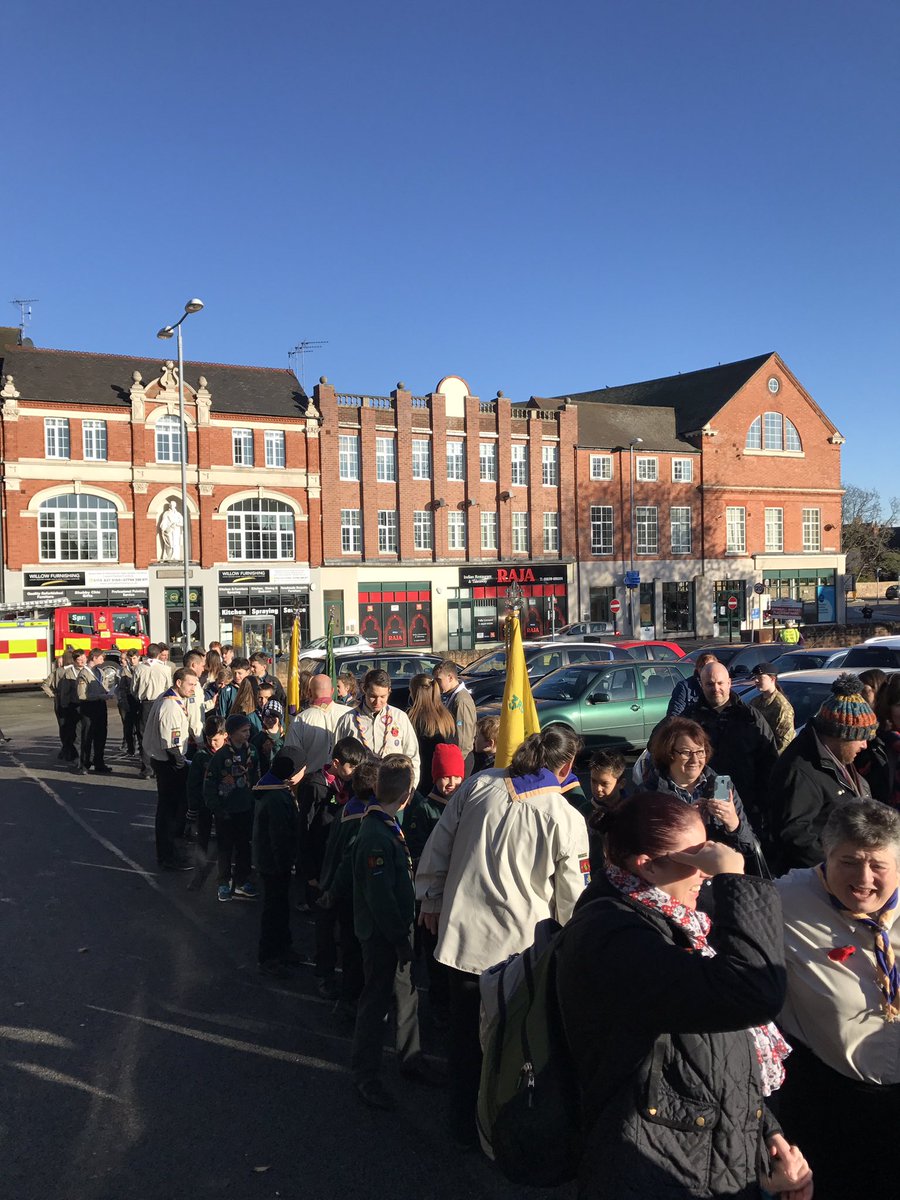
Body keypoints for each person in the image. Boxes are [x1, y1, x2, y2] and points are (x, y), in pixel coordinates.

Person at [556, 792, 811, 1200]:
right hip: (654, 1166)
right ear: (647, 865)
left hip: (705, 1150)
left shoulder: (673, 916)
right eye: (695, 860)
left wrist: (766, 1132)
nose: (706, 874)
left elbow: (710, 1057)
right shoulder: (615, 938)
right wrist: (735, 880)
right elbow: (753, 991)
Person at [416, 726, 591, 1145]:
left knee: (463, 1040)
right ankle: (497, 1128)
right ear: (567, 765)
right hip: (519, 952)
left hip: (463, 939)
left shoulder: (480, 784)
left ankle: (461, 1125)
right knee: (509, 1045)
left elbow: (439, 844)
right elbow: (572, 897)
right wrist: (569, 945)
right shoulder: (565, 817)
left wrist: (430, 897)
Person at [776, 799, 900, 1198]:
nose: (864, 878)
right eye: (848, 862)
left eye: (878, 865)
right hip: (831, 1102)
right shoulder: (785, 901)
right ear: (825, 854)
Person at [351, 754, 438, 1110]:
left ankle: (410, 1056)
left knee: (407, 993)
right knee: (375, 1003)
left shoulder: (387, 825)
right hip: (382, 936)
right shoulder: (375, 836)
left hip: (400, 931)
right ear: (406, 796)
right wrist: (400, 939)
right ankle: (366, 1074)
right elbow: (380, 898)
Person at [769, 674, 878, 872]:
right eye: (860, 738)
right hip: (818, 880)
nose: (864, 745)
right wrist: (837, 869)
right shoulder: (800, 770)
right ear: (840, 735)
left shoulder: (835, 757)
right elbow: (795, 836)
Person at [404, 742, 466, 1018]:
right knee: (434, 949)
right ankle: (439, 1004)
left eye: (456, 776)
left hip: (458, 891)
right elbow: (416, 849)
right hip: (432, 891)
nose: (451, 782)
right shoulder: (424, 809)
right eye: (444, 776)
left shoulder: (466, 805)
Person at [644, 716, 760, 860]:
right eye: (686, 752)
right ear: (668, 753)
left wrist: (734, 824)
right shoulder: (650, 795)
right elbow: (647, 851)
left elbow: (751, 848)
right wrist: (685, 823)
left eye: (700, 752)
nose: (695, 760)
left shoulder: (721, 787)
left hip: (720, 872)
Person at [316, 753, 378, 1022]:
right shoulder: (362, 819)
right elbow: (348, 860)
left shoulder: (347, 809)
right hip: (349, 892)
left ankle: (346, 994)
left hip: (335, 884)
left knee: (346, 943)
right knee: (353, 949)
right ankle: (348, 1002)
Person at [682, 661, 778, 830]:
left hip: (746, 806)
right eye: (709, 684)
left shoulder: (750, 718)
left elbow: (769, 761)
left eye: (720, 683)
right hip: (702, 808)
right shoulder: (689, 720)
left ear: (729, 683)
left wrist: (764, 804)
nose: (716, 688)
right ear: (701, 685)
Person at [253, 746, 307, 978]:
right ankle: (268, 956)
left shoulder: (276, 788)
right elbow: (279, 836)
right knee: (273, 910)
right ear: (292, 773)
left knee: (282, 907)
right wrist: (286, 863)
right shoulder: (277, 797)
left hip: (274, 861)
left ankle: (284, 946)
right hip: (274, 864)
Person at [142, 667, 199, 870]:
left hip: (167, 760)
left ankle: (170, 852)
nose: (193, 688)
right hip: (169, 762)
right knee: (170, 812)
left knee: (170, 810)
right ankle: (168, 856)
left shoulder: (169, 699)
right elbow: (171, 744)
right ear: (178, 683)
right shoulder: (170, 706)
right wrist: (181, 765)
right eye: (190, 684)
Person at [203, 713, 261, 902]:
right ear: (232, 733)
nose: (247, 734)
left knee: (244, 846)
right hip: (226, 809)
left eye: (248, 730)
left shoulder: (252, 751)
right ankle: (224, 881)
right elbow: (210, 782)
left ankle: (242, 879)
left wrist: (255, 799)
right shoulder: (221, 756)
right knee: (225, 848)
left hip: (245, 807)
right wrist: (215, 807)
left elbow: (256, 775)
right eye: (243, 731)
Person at [333, 669, 420, 781]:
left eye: (383, 697)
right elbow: (335, 757)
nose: (377, 702)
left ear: (389, 691)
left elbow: (412, 756)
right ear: (364, 690)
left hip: (393, 785)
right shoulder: (348, 720)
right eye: (373, 696)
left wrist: (411, 786)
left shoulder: (400, 718)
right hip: (358, 786)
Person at [186, 714, 227, 883]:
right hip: (205, 804)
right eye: (209, 739)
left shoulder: (229, 754)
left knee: (224, 839)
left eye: (216, 740)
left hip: (223, 804)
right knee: (202, 837)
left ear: (225, 735)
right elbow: (193, 784)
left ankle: (224, 874)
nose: (212, 743)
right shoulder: (201, 756)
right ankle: (199, 872)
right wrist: (192, 807)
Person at [407, 673, 457, 794]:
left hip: (421, 779)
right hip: (442, 779)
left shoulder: (413, 718)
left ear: (414, 693)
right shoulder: (447, 716)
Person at [284, 674, 343, 775]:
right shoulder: (349, 714)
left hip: (312, 780)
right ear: (332, 691)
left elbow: (291, 756)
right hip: (344, 780)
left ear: (309, 692)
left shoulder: (300, 720)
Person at [133, 643, 173, 779]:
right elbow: (169, 687)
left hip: (145, 703)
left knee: (144, 735)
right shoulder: (165, 668)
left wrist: (139, 695)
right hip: (160, 702)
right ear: (159, 654)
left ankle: (147, 768)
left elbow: (133, 688)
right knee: (160, 733)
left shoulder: (139, 668)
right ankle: (159, 765)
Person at [433, 661, 477, 775]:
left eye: (439, 680)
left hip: (460, 760)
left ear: (450, 677)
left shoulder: (461, 700)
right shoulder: (451, 696)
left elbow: (464, 739)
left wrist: (456, 763)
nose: (436, 684)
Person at [75, 649, 113, 775]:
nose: (103, 660)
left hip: (101, 706)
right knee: (87, 736)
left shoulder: (100, 672)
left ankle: (99, 762)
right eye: (101, 657)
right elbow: (82, 695)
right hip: (89, 707)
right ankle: (84, 764)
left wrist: (108, 693)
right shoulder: (84, 673)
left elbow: (104, 686)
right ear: (94, 658)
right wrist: (99, 696)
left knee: (101, 735)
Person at [748, 661, 795, 755]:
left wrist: (771, 759)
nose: (756, 681)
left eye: (760, 677)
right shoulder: (755, 702)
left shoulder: (782, 706)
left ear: (772, 679)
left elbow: (785, 741)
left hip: (771, 756)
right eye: (755, 677)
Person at [666, 651, 719, 717]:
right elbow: (673, 716)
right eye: (702, 666)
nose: (706, 670)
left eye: (709, 667)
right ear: (697, 668)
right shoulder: (684, 687)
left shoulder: (720, 687)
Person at [57, 650, 85, 763]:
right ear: (74, 660)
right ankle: (76, 756)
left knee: (85, 732)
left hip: (87, 705)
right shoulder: (68, 673)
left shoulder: (88, 670)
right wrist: (63, 705)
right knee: (75, 733)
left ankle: (86, 756)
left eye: (83, 659)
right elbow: (65, 692)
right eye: (79, 659)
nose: (81, 661)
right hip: (74, 705)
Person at [116, 648, 142, 757]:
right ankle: (130, 748)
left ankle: (141, 749)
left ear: (138, 658)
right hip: (128, 700)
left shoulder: (142, 668)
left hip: (139, 700)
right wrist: (122, 700)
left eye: (134, 658)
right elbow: (121, 688)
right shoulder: (124, 671)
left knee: (140, 727)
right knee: (128, 727)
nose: (132, 661)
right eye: (130, 659)